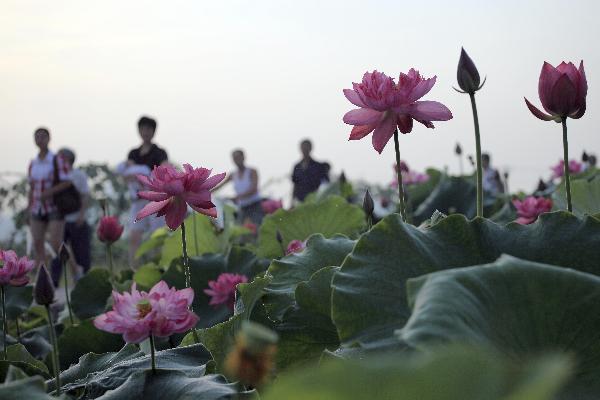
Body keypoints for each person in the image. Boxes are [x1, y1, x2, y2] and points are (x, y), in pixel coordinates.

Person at [123, 116, 168, 267]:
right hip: (138, 201)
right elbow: (127, 174)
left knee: (157, 237)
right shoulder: (133, 153)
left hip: (155, 200)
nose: (146, 132)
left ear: (154, 131)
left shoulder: (159, 152)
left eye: (149, 129)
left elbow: (164, 168)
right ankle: (133, 271)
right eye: (143, 128)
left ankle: (160, 269)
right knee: (134, 236)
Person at [27, 127, 72, 276]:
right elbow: (31, 187)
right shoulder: (33, 163)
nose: (40, 140)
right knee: (38, 243)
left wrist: (49, 192)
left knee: (56, 243)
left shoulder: (56, 159)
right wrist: (29, 206)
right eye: (37, 137)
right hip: (36, 207)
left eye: (43, 137)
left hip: (54, 206)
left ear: (48, 139)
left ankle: (75, 269)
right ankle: (43, 278)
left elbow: (67, 182)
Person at [56, 148, 90, 284]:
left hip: (76, 218)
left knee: (81, 252)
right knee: (57, 253)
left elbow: (85, 195)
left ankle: (83, 282)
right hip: (59, 220)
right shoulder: (56, 175)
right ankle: (53, 282)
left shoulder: (78, 175)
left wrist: (82, 215)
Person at [215, 149, 264, 225]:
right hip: (242, 207)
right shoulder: (233, 174)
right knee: (239, 228)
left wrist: (238, 197)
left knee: (258, 227)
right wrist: (206, 191)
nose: (237, 160)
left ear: (243, 157)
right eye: (235, 158)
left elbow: (254, 189)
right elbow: (220, 186)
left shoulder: (252, 171)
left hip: (255, 205)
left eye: (238, 157)